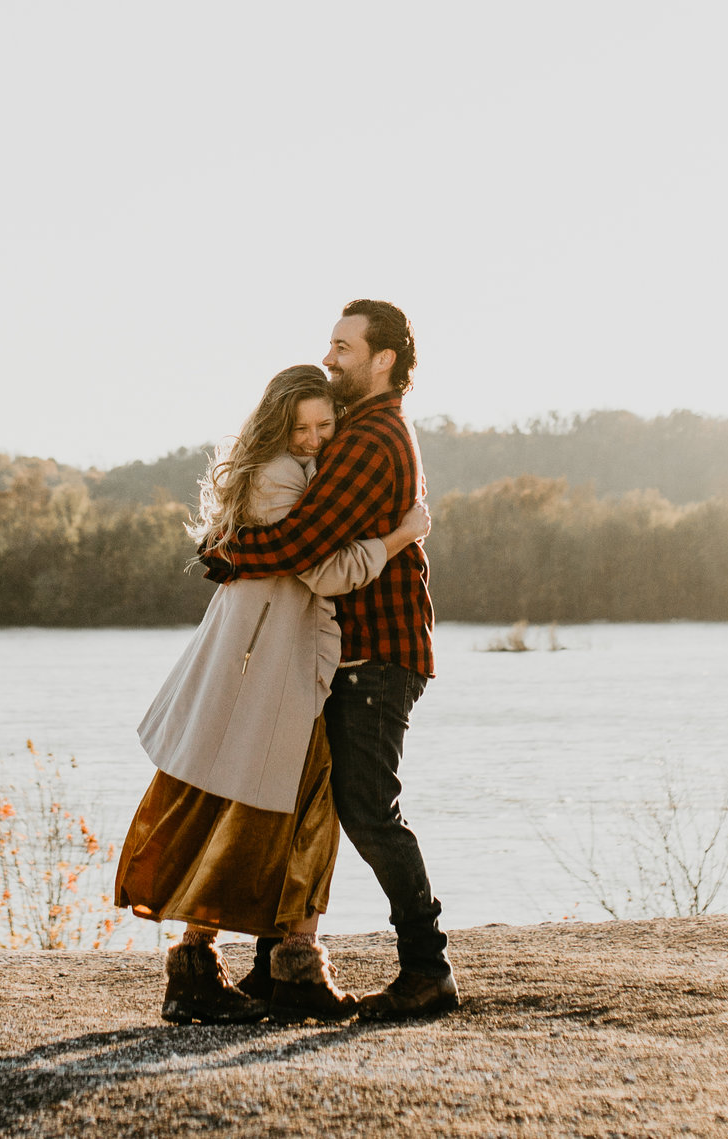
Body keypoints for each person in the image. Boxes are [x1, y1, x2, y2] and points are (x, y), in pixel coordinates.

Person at [115, 364, 430, 1024]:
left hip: (270, 662)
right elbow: (321, 567)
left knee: (262, 805)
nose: (314, 438)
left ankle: (262, 963)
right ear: (278, 425)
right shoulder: (282, 475)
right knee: (259, 804)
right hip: (266, 667)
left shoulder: (284, 469)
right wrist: (401, 535)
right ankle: (244, 964)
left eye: (324, 426)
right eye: (302, 427)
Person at [206, 299, 455, 1020]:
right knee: (300, 800)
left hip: (379, 655)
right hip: (349, 656)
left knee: (368, 809)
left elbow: (302, 543)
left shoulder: (373, 439)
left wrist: (223, 556)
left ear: (383, 360)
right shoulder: (356, 431)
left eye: (345, 346)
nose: (332, 356)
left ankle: (428, 966)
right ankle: (272, 969)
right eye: (332, 343)